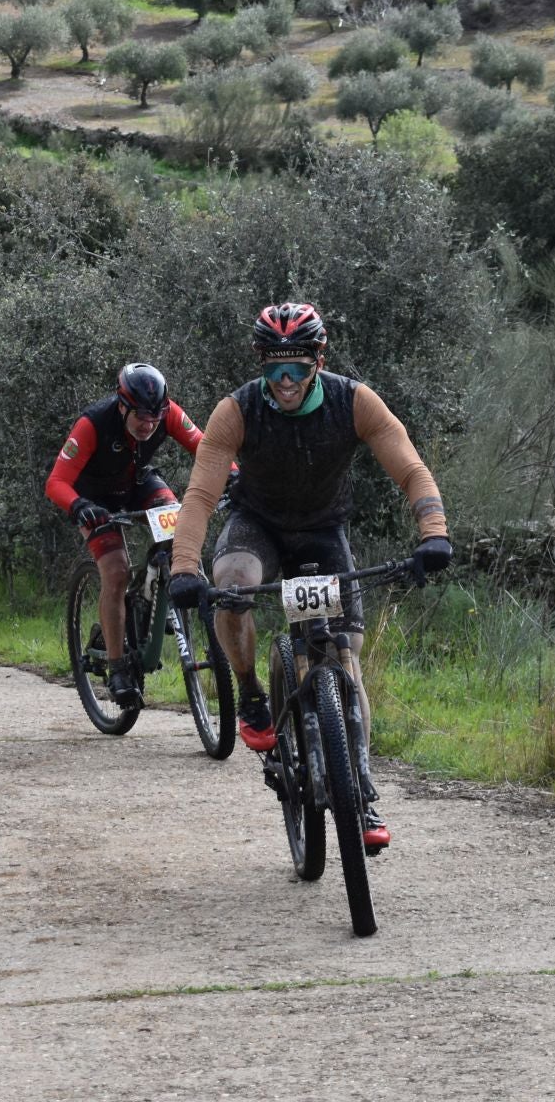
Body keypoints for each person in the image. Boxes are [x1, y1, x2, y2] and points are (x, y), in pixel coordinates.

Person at [168, 303, 452, 851]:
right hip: (258, 525)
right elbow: (200, 495)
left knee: (343, 658)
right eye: (274, 368)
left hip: (323, 530)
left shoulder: (354, 401)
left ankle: (361, 792)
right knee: (232, 583)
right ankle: (252, 692)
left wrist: (433, 532)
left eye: (296, 366)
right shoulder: (238, 410)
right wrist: (184, 566)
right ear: (261, 364)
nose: (285, 380)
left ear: (318, 362)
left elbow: (411, 469)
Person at [45, 363, 207, 707]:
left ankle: (157, 594)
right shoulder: (93, 424)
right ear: (122, 406)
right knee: (116, 571)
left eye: (155, 417)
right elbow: (56, 482)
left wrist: (234, 475)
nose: (149, 424)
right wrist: (78, 506)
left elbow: (207, 450)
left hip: (138, 483)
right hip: (95, 499)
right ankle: (118, 667)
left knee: (180, 529)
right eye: (141, 417)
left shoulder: (167, 413)